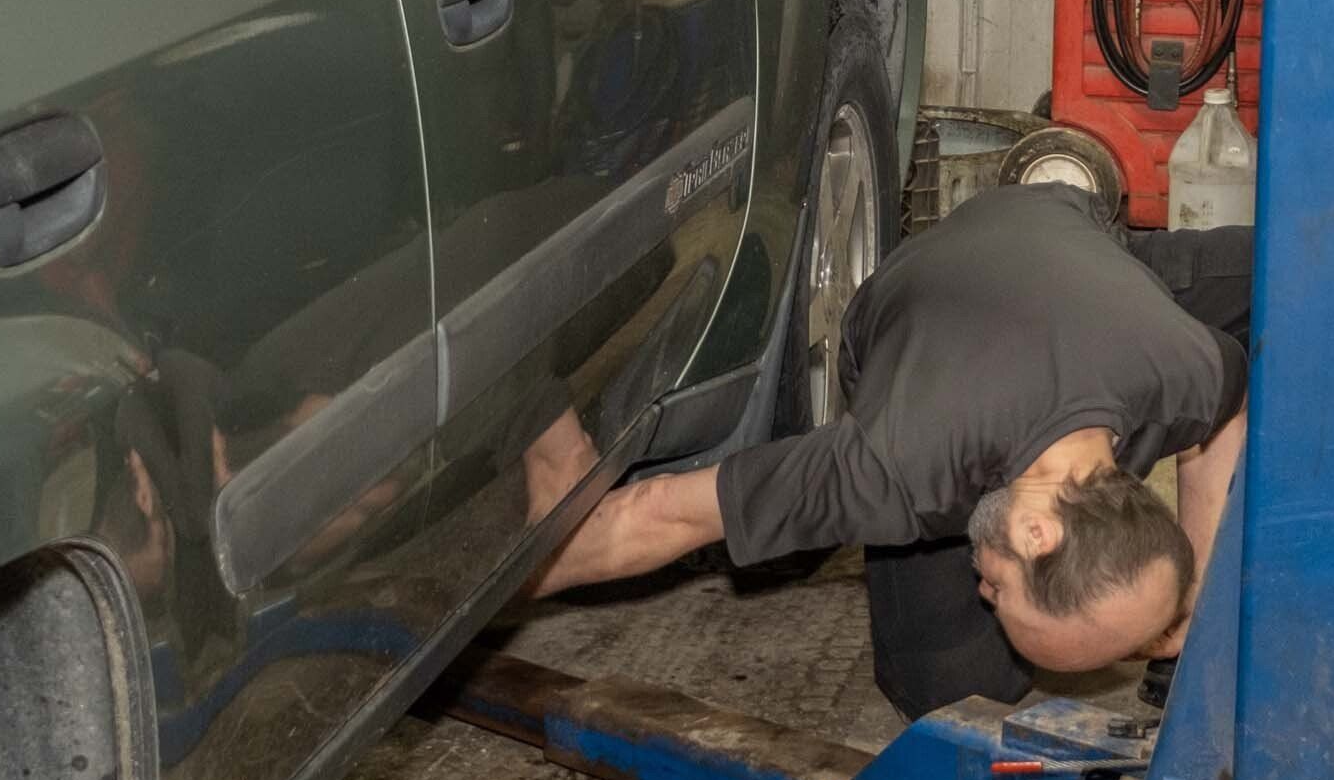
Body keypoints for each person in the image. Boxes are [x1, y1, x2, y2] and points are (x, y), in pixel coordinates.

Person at [529, 182, 1250, 719]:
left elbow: (1231, 406)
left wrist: (1194, 602)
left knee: (1287, 278)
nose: (982, 593)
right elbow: (663, 512)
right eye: (999, 592)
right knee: (952, 696)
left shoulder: (1183, 369)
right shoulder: (896, 467)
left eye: (990, 596)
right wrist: (506, 588)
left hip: (1078, 257)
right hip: (936, 290)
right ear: (1037, 531)